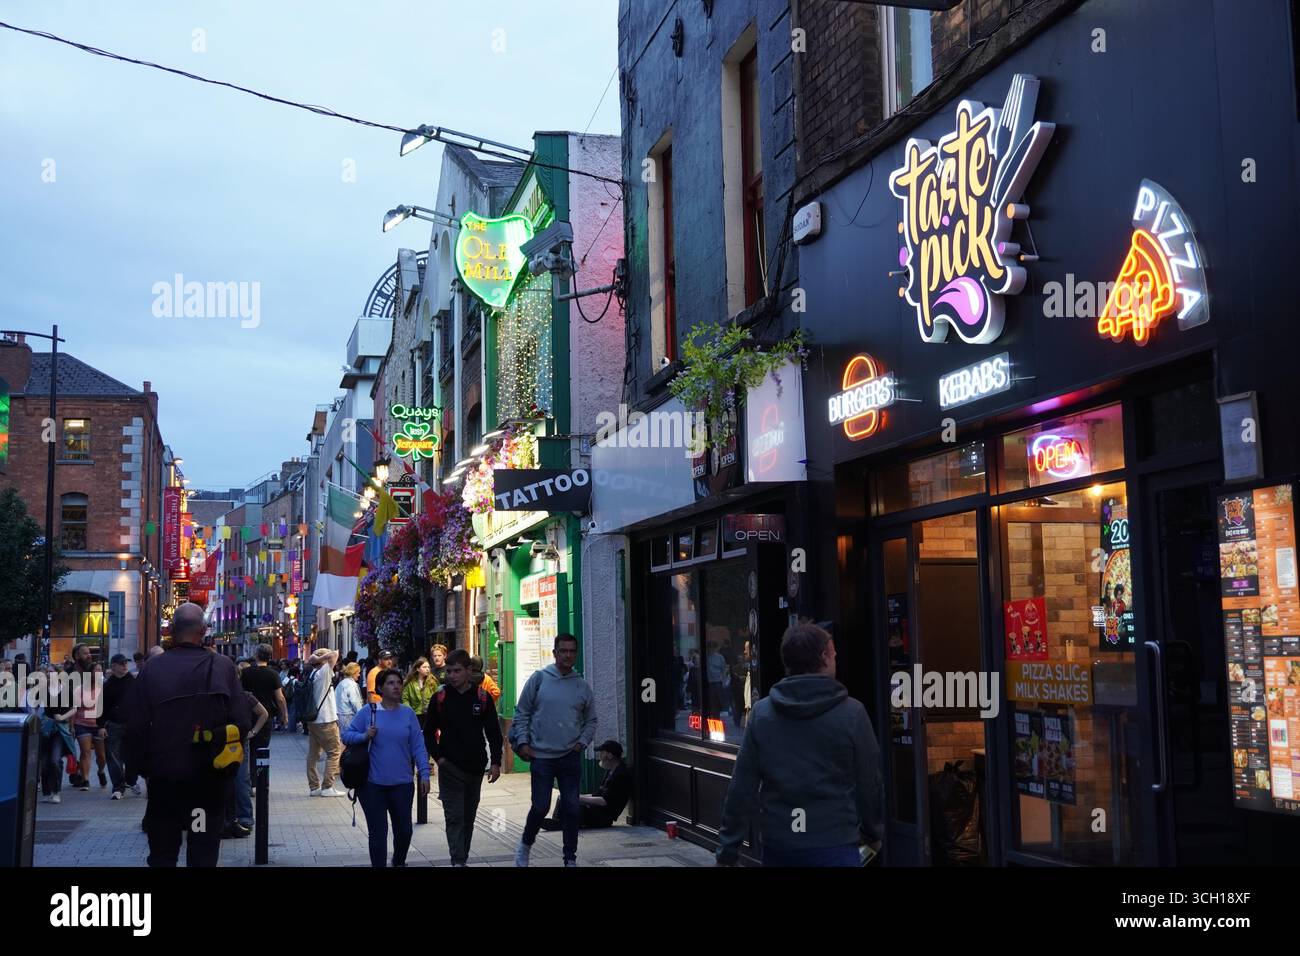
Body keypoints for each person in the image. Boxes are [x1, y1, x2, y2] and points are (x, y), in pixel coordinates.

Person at [716, 623, 883, 867]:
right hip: (835, 841)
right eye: (833, 653)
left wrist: (728, 851)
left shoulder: (762, 714)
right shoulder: (853, 713)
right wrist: (873, 831)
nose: (836, 658)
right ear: (824, 658)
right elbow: (870, 782)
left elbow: (742, 787)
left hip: (781, 844)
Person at [124, 603, 252, 867]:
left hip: (165, 781)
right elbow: (241, 722)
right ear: (204, 631)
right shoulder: (222, 667)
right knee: (201, 849)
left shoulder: (152, 668)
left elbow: (134, 725)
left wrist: (141, 769)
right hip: (205, 783)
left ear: (171, 631)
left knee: (163, 852)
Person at [509, 633, 597, 867]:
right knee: (540, 807)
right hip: (541, 756)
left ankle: (570, 857)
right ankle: (525, 845)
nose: (568, 655)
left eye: (572, 651)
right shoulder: (539, 679)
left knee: (571, 808)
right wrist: (524, 742)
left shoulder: (581, 685)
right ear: (555, 653)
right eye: (563, 651)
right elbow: (522, 713)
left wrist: (582, 742)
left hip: (570, 756)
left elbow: (591, 720)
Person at [341, 667, 430, 868]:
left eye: (398, 683)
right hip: (372, 785)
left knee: (404, 831)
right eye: (390, 683)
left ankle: (398, 861)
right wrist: (364, 736)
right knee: (378, 834)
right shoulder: (368, 712)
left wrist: (424, 773)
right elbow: (346, 736)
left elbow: (418, 745)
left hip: (402, 784)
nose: (396, 686)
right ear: (380, 687)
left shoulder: (408, 714)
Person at [424, 649, 502, 867]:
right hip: (449, 767)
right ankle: (458, 860)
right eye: (449, 671)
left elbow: (494, 732)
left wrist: (495, 762)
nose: (452, 675)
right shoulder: (440, 697)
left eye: (456, 671)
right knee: (454, 817)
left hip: (475, 768)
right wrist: (438, 759)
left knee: (468, 818)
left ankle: (462, 857)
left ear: (468, 670)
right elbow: (428, 732)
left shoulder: (482, 697)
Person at [239, 644, 286, 827]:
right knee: (262, 750)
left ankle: (248, 783)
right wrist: (284, 715)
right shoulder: (273, 674)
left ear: (256, 654)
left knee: (246, 750)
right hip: (265, 717)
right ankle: (260, 781)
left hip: (247, 714)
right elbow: (280, 697)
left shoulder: (247, 673)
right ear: (270, 655)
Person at [539, 740, 631, 831]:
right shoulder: (610, 771)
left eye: (602, 753)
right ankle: (558, 821)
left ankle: (561, 824)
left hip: (604, 817)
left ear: (610, 755)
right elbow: (598, 794)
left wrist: (578, 798)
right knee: (563, 797)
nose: (600, 756)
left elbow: (604, 801)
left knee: (579, 807)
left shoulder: (620, 775)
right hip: (599, 810)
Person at [223, 688, 267, 838]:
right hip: (239, 741)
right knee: (241, 780)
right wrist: (253, 732)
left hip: (226, 742)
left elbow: (263, 713)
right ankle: (244, 818)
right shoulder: (246, 696)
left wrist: (253, 732)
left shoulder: (240, 696)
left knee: (239, 781)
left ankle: (238, 818)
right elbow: (263, 713)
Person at [99, 654, 141, 799]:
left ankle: (131, 780)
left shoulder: (135, 683)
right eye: (121, 663)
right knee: (113, 756)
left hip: (132, 724)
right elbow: (101, 707)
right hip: (114, 724)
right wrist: (101, 725)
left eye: (125, 663)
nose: (124, 666)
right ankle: (118, 787)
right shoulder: (108, 686)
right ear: (113, 666)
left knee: (133, 755)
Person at [304, 648, 344, 797]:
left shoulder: (314, 674)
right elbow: (335, 654)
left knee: (313, 754)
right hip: (326, 720)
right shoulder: (324, 672)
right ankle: (327, 787)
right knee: (334, 752)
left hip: (314, 720)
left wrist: (316, 658)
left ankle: (314, 787)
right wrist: (317, 658)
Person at [70, 647, 108, 790]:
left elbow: (106, 709)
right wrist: (72, 726)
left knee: (101, 756)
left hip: (98, 724)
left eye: (100, 671)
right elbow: (74, 709)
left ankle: (100, 771)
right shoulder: (80, 689)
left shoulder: (103, 688)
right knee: (85, 752)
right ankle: (85, 780)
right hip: (82, 723)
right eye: (96, 671)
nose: (99, 673)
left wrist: (104, 724)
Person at [401, 656, 438, 723]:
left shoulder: (432, 681)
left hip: (429, 714)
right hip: (415, 714)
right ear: (418, 669)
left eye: (428, 667)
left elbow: (437, 696)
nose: (427, 669)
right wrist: (410, 711)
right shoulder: (410, 683)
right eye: (424, 667)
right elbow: (405, 698)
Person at [335, 661, 364, 731]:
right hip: (348, 716)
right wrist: (362, 715)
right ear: (353, 673)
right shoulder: (351, 685)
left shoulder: (341, 683)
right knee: (350, 738)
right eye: (358, 673)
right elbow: (356, 702)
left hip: (340, 715)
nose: (359, 675)